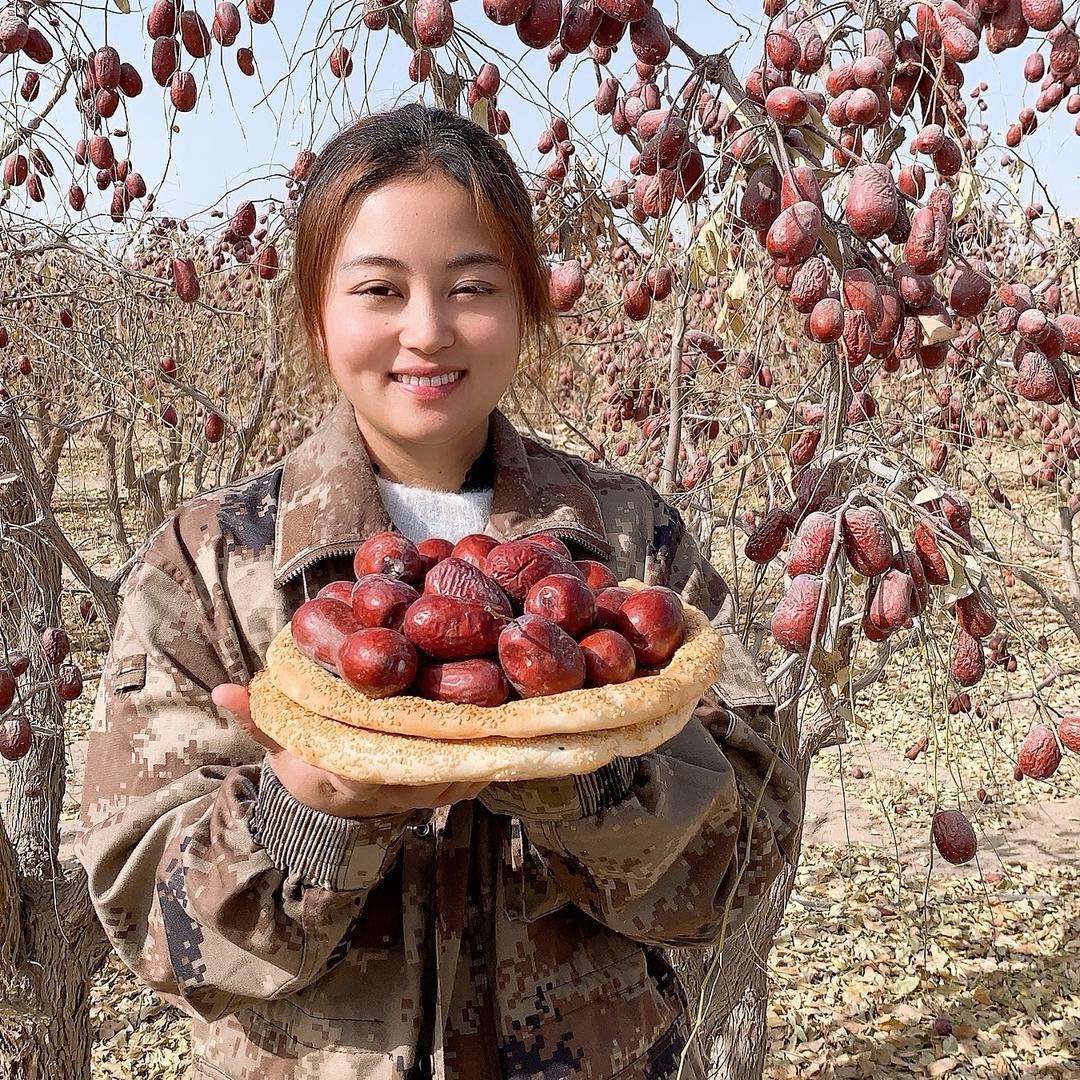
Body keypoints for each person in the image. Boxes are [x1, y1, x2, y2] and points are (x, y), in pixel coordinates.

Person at [76, 103, 802, 1080]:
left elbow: (745, 853)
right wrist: (310, 808)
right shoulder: (212, 561)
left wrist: (578, 768)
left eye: (471, 286)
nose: (426, 330)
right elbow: (149, 914)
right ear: (315, 313)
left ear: (528, 305)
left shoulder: (627, 543)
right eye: (379, 288)